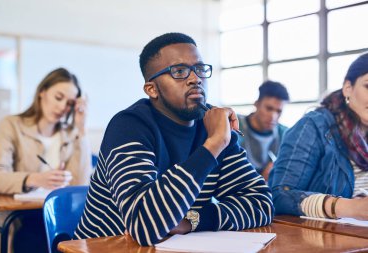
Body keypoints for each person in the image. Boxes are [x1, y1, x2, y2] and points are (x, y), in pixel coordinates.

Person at [73, 32, 273, 246]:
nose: (196, 78)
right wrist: (212, 146)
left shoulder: (214, 127)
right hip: (104, 248)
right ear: (152, 89)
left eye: (199, 69)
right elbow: (145, 226)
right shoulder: (129, 126)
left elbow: (261, 204)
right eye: (179, 71)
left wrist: (192, 221)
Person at [0, 68, 92, 253]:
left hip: (55, 217)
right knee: (34, 238)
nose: (62, 108)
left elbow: (80, 184)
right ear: (42, 92)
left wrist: (81, 130)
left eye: (69, 103)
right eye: (58, 97)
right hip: (19, 218)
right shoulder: (11, 125)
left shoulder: (69, 134)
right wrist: (34, 179)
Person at [269, 52, 368, 221]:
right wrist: (350, 207)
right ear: (347, 88)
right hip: (324, 240)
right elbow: (278, 197)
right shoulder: (313, 126)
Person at [237, 81, 289, 180]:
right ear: (257, 104)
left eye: (279, 111)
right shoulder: (236, 125)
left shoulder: (285, 134)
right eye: (269, 108)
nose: (273, 116)